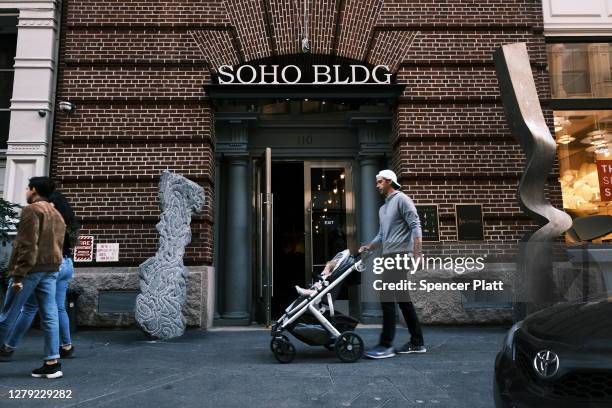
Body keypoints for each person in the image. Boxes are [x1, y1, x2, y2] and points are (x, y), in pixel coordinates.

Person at [0, 191, 79, 361]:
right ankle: (66, 346)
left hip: (49, 267)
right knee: (59, 308)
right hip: (66, 264)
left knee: (29, 309)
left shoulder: (46, 218)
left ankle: (8, 347)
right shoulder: (67, 221)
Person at [359, 169, 426, 359]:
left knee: (386, 297)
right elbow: (382, 234)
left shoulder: (402, 199)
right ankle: (417, 342)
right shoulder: (383, 208)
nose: (377, 185)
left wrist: (417, 254)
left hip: (400, 256)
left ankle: (386, 345)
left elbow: (416, 225)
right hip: (389, 256)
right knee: (403, 301)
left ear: (389, 181)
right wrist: (369, 247)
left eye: (380, 181)